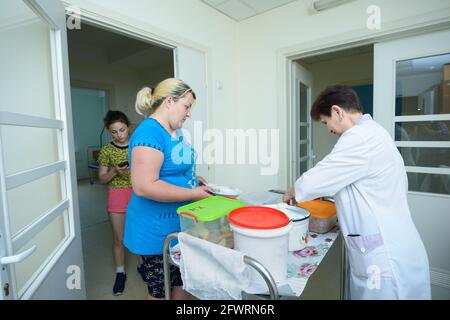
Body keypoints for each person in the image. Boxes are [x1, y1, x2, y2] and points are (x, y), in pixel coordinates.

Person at [283, 85, 431, 300]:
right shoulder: (374, 132)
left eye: (325, 122)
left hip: (385, 258)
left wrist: (292, 191)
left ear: (337, 111)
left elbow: (320, 176)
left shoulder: (359, 137)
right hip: (394, 242)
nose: (328, 129)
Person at [124, 78, 212, 300]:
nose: (189, 113)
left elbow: (173, 169)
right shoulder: (149, 133)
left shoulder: (174, 131)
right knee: (160, 292)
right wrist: (193, 193)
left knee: (182, 281)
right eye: (187, 106)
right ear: (170, 101)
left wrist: (192, 180)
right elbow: (145, 186)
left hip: (179, 226)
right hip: (156, 232)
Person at [97, 110, 132, 296]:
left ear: (128, 127)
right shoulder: (106, 150)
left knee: (139, 233)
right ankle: (120, 273)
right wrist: (115, 172)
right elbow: (102, 179)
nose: (119, 135)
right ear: (109, 132)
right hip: (116, 194)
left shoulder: (138, 145)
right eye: (114, 132)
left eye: (122, 129)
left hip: (138, 194)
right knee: (119, 238)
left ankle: (143, 266)